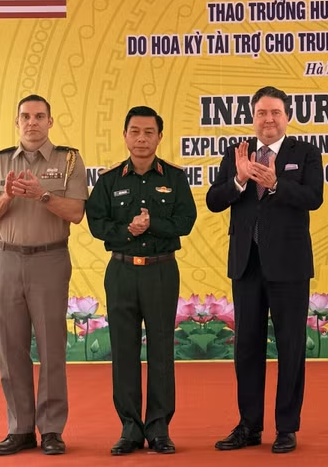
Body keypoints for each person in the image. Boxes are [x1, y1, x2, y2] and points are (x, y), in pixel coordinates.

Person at [207, 86, 323, 454]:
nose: (268, 119)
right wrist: (239, 180)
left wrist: (276, 184)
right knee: (246, 348)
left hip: (289, 266)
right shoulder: (236, 154)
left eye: (275, 112)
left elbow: (314, 197)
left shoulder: (304, 153)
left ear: (287, 116)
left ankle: (286, 427)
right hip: (246, 265)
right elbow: (213, 200)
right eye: (261, 113)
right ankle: (249, 425)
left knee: (290, 348)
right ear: (253, 117)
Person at [0, 94, 88, 456]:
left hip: (50, 260)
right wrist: (7, 197)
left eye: (40, 116)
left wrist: (42, 195)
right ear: (17, 121)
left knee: (52, 348)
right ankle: (20, 428)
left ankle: (52, 429)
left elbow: (75, 213)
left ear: (50, 122)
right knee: (11, 349)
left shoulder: (68, 160)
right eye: (26, 116)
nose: (32, 122)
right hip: (8, 261)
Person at [86, 106, 196, 455]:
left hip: (161, 270)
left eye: (149, 132)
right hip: (121, 271)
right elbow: (96, 223)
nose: (142, 138)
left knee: (162, 350)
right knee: (124, 350)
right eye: (135, 131)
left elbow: (185, 220)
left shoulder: (175, 178)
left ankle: (159, 427)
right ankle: (130, 429)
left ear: (160, 137)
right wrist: (127, 231)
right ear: (125, 135)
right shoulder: (109, 179)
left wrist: (152, 225)